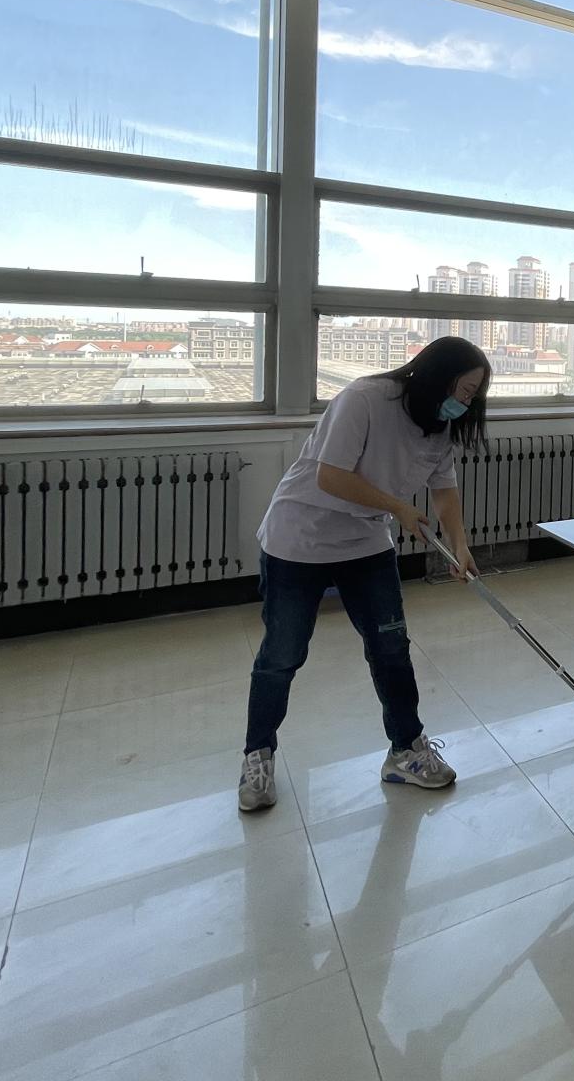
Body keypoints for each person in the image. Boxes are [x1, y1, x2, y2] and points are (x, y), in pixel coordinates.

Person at [237, 336, 488, 812]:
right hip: (301, 535)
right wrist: (399, 507)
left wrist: (460, 544)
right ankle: (258, 756)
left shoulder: (438, 426)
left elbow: (444, 490)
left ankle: (406, 750)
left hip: (365, 539)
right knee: (283, 654)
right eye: (465, 389)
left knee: (391, 647)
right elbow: (331, 476)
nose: (467, 402)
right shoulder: (365, 399)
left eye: (473, 395)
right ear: (439, 377)